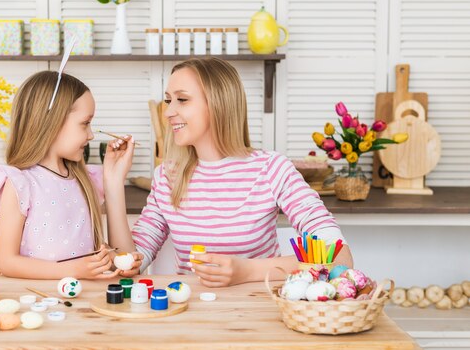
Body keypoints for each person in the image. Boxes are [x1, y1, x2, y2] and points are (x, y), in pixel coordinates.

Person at [104, 58, 353, 287]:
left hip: (261, 315)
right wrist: (114, 182)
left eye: (182, 99)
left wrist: (247, 271)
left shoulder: (272, 169)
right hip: (190, 314)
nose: (168, 111)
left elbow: (340, 258)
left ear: (219, 104)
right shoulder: (166, 177)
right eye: (169, 100)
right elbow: (128, 266)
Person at [0, 70, 120, 280]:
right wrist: (72, 271)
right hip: (39, 302)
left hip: (81, 301)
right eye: (85, 123)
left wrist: (106, 257)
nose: (91, 134)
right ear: (52, 122)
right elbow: (7, 262)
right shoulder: (20, 183)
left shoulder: (86, 181)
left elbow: (83, 247)